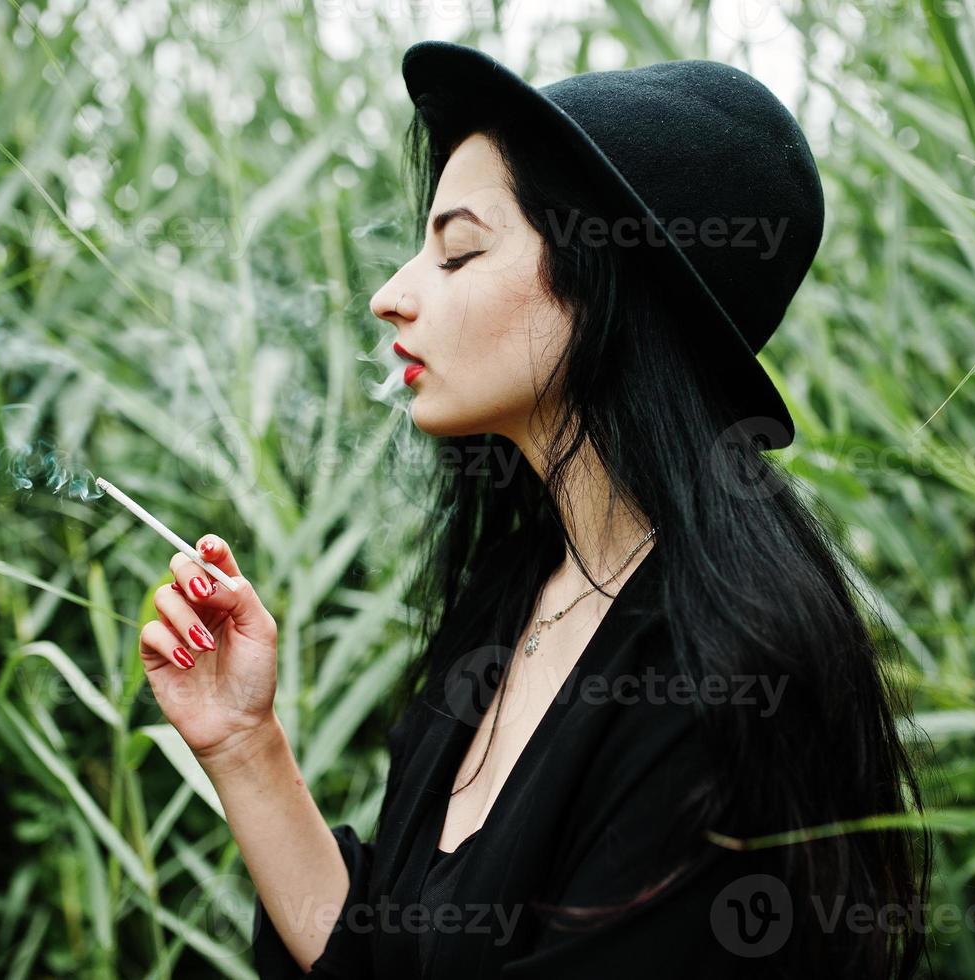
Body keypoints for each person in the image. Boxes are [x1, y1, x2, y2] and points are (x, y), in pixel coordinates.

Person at [137, 41, 930, 979]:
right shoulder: (515, 592)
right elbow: (384, 959)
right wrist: (242, 742)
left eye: (459, 250)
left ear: (606, 287)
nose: (391, 296)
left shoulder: (718, 671)